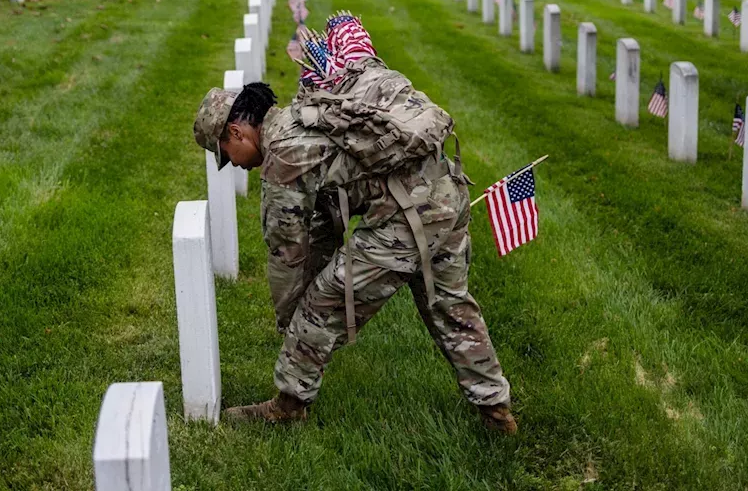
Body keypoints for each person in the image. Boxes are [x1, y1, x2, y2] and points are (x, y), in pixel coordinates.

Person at [191, 63, 515, 434]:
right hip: (446, 188)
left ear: (237, 131)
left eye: (226, 153)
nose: (233, 163)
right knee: (449, 303)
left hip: (408, 213)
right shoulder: (307, 115)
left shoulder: (283, 155)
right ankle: (496, 411)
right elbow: (323, 224)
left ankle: (288, 405)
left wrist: (291, 318)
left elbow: (286, 252)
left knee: (321, 304)